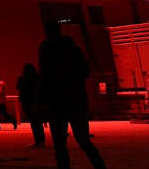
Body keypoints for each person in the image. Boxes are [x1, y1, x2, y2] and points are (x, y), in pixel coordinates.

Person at [38, 20, 106, 168]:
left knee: (60, 144)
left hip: (56, 102)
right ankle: (100, 166)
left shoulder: (46, 49)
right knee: (83, 140)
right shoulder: (73, 49)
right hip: (76, 101)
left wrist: (44, 100)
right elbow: (85, 72)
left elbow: (44, 76)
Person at [17, 63, 45, 147]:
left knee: (34, 123)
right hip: (34, 102)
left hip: (27, 103)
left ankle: (38, 140)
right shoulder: (36, 79)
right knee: (38, 122)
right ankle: (41, 140)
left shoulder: (22, 79)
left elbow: (19, 89)